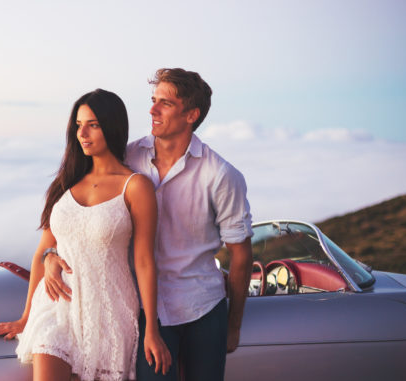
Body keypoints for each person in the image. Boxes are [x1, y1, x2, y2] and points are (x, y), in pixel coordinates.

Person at [42, 69, 254, 381]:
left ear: (191, 115)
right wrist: (50, 254)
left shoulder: (220, 175)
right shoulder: (127, 157)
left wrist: (233, 325)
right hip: (141, 308)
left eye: (164, 104)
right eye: (153, 101)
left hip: (202, 307)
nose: (152, 110)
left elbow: (241, 255)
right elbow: (79, 213)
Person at [0, 89, 171, 381]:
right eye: (78, 125)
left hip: (108, 310)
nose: (82, 133)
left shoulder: (135, 187)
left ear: (112, 126)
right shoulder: (65, 184)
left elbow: (145, 260)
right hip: (57, 307)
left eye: (93, 124)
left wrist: (152, 330)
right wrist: (26, 317)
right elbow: (42, 252)